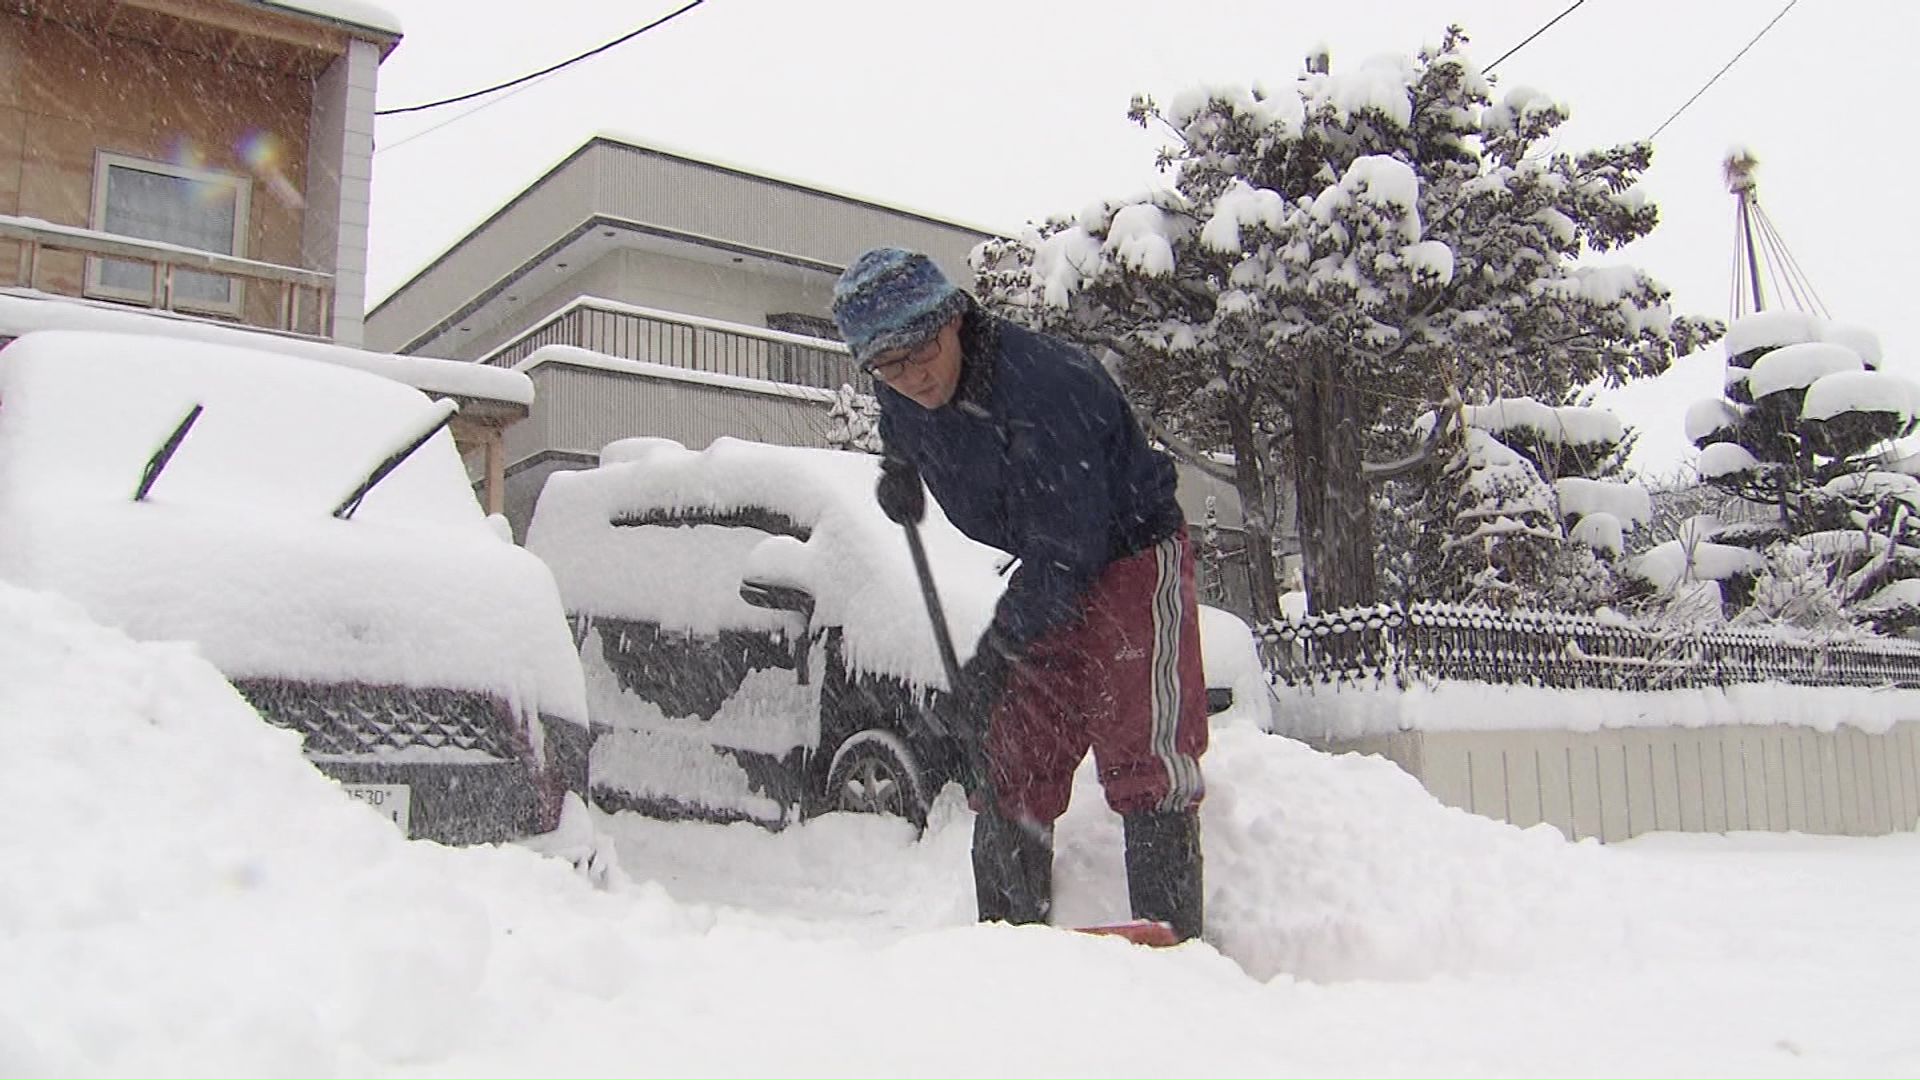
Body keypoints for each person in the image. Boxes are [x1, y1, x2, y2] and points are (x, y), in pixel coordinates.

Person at [830, 247, 1208, 942]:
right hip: (1047, 557)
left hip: (1127, 551)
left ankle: (1173, 946)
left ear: (955, 322)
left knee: (1142, 742)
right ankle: (1009, 945)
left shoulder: (1044, 386)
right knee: (1010, 754)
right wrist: (900, 469)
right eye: (887, 365)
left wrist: (996, 654)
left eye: (921, 353)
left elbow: (1073, 548)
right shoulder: (899, 382)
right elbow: (899, 419)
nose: (911, 377)